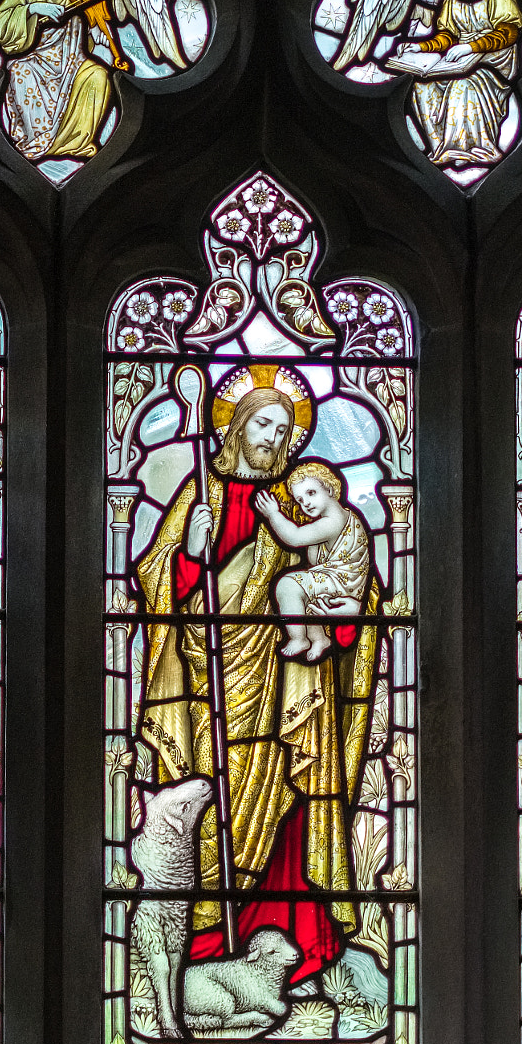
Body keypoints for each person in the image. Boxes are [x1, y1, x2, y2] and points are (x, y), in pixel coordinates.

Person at [133, 369, 380, 988]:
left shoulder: (298, 502)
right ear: (237, 426)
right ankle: (210, 944)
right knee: (207, 797)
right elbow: (158, 580)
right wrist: (190, 552)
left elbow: (343, 578)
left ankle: (289, 941)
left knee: (290, 799)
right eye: (263, 424)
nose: (273, 438)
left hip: (285, 681)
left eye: (283, 428)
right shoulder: (204, 490)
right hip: (209, 673)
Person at [386, 0, 522, 172]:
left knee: (463, 85)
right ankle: (443, 150)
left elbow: (509, 31)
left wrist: (472, 46)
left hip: (491, 59)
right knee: (422, 87)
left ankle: (474, 150)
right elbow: (448, 35)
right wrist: (422, 48)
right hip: (458, 57)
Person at [0, 0, 125, 165]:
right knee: (20, 72)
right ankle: (36, 142)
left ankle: (76, 143)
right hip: (34, 58)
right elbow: (3, 21)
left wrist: (98, 36)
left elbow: (89, 22)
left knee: (98, 75)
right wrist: (33, 8)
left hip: (73, 60)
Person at [254, 461, 371, 662]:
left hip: (343, 584)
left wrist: (273, 514)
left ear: (329, 488)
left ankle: (298, 638)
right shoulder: (330, 520)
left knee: (288, 586)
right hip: (335, 580)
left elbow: (295, 537)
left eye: (311, 493)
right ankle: (319, 639)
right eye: (299, 499)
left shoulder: (333, 520)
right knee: (305, 590)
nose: (305, 503)